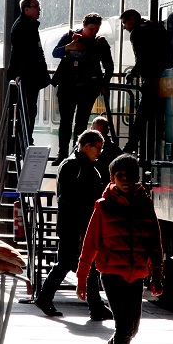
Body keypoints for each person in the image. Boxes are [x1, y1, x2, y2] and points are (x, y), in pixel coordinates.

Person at [77, 153, 164, 344]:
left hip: (136, 274)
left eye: (130, 175)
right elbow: (90, 244)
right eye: (120, 176)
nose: (126, 180)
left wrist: (157, 274)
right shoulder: (103, 206)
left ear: (137, 178)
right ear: (112, 178)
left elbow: (154, 242)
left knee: (131, 330)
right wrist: (82, 278)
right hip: (112, 274)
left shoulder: (145, 204)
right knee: (125, 329)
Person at [34, 130, 113, 321]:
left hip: (80, 224)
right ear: (86, 146)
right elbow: (71, 200)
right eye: (98, 148)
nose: (100, 153)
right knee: (69, 262)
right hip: (75, 225)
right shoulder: (74, 165)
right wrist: (80, 230)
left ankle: (95, 306)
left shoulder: (80, 165)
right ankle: (45, 297)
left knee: (87, 264)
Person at [50, 13, 114, 165]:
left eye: (96, 29)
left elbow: (109, 66)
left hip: (88, 88)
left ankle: (77, 153)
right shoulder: (70, 37)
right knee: (65, 121)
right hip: (67, 86)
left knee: (81, 122)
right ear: (84, 26)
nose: (93, 33)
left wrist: (104, 83)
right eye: (91, 29)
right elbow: (55, 53)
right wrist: (68, 47)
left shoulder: (99, 43)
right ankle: (62, 153)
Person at [119, 9, 170, 155]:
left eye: (125, 22)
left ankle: (131, 146)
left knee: (142, 116)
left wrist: (132, 73)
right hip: (164, 78)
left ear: (132, 19)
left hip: (152, 80)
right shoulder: (155, 27)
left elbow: (142, 59)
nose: (124, 27)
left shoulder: (137, 33)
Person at [8, 0, 51, 146]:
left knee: (30, 110)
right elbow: (20, 53)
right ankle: (25, 141)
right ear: (26, 9)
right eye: (36, 7)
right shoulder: (22, 27)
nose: (39, 10)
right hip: (28, 75)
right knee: (27, 110)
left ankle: (27, 139)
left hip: (32, 75)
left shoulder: (29, 26)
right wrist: (19, 73)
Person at [90, 115, 122, 179]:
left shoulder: (113, 149)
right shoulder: (84, 145)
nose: (98, 136)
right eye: (96, 133)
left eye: (101, 133)